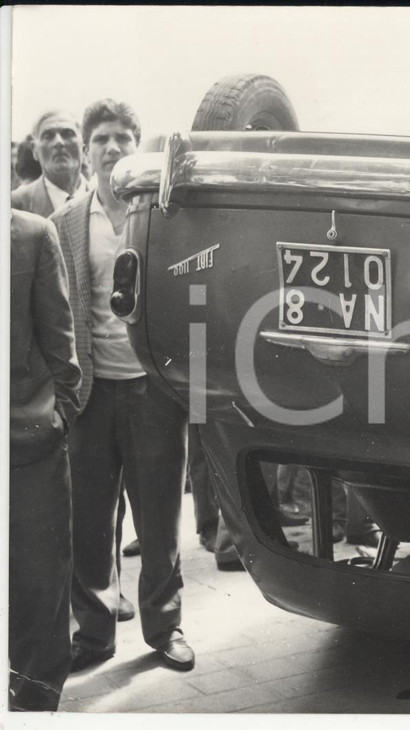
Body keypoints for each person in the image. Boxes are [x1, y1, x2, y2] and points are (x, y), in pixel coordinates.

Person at [51, 99, 195, 672]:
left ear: (139, 147)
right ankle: (93, 634)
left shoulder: (163, 216)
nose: (112, 148)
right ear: (87, 152)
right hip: (89, 395)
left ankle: (165, 629)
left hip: (152, 392)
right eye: (101, 139)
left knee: (159, 520)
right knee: (88, 524)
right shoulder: (65, 223)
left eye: (122, 139)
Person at [9, 210, 82, 711]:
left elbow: (59, 337)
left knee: (39, 582)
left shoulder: (31, 234)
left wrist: (59, 412)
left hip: (26, 440)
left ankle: (35, 705)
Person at [11, 110, 88, 217]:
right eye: (48, 136)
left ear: (84, 147)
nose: (59, 142)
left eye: (68, 134)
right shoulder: (14, 206)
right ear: (35, 151)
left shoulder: (104, 200)